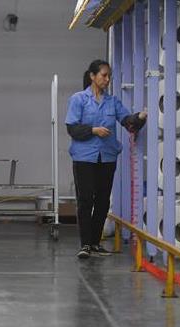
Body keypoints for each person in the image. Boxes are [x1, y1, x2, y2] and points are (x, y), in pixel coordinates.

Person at [66, 59, 147, 259]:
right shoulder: (78, 99)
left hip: (107, 157)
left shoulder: (112, 102)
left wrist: (140, 117)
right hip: (84, 157)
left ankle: (95, 243)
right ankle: (85, 244)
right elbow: (72, 128)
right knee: (86, 200)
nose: (107, 79)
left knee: (102, 201)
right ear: (92, 76)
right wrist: (93, 130)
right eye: (104, 75)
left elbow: (127, 122)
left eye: (109, 76)